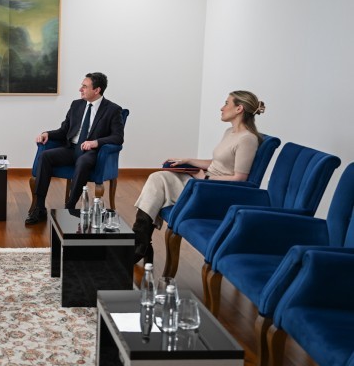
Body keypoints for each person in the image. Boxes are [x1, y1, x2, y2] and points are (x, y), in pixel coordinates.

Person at [132, 90, 266, 264]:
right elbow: (217, 163)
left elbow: (240, 178)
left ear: (239, 108)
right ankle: (140, 244)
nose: (222, 108)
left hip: (213, 190)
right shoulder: (229, 132)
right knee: (158, 178)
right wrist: (187, 161)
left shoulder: (248, 139)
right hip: (203, 181)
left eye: (226, 103)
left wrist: (206, 179)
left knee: (157, 185)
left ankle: (140, 245)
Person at [26, 72, 125, 225]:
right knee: (45, 156)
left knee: (83, 162)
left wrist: (96, 142)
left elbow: (118, 137)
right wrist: (47, 134)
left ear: (97, 90)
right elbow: (64, 130)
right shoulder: (76, 105)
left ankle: (70, 207)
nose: (80, 89)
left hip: (92, 152)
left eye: (85, 86)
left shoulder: (113, 109)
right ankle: (39, 207)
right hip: (71, 149)